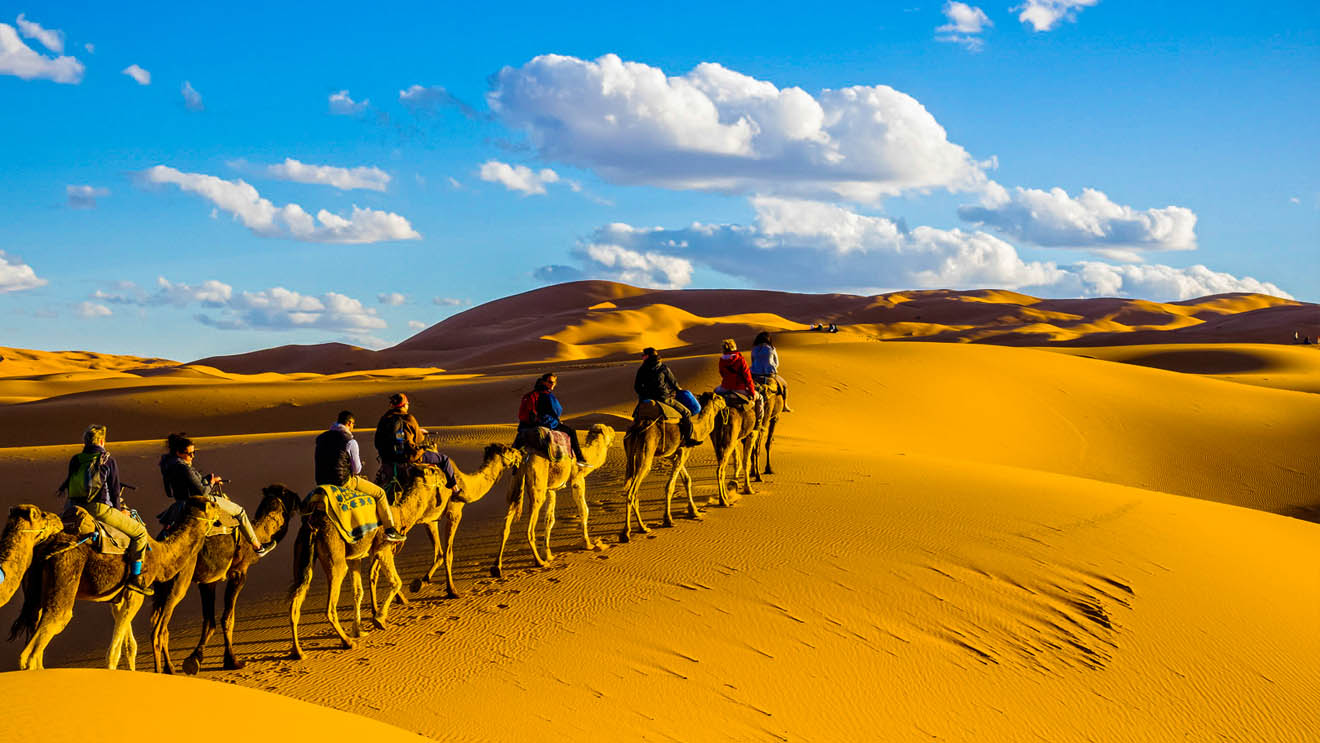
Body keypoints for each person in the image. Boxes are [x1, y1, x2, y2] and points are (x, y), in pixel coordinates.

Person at [58, 424, 153, 595]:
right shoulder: (107, 459)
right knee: (139, 532)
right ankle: (136, 577)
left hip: (73, 508)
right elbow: (115, 492)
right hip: (98, 509)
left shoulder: (76, 459)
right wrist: (118, 512)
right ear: (102, 440)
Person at [159, 433, 274, 557]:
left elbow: (170, 492)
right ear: (178, 453)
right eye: (189, 453)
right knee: (240, 512)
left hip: (179, 504)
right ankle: (258, 548)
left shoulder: (168, 466)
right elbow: (202, 492)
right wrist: (212, 483)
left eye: (194, 453)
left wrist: (206, 480)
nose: (192, 456)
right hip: (198, 501)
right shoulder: (184, 468)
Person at [315, 411, 405, 542]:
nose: (353, 428)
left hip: (322, 482)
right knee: (380, 493)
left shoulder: (321, 438)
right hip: (342, 482)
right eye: (353, 425)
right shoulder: (350, 442)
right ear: (349, 423)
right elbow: (357, 470)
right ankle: (390, 530)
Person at [372, 393, 462, 497]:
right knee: (444, 459)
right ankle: (455, 490)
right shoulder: (409, 418)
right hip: (408, 457)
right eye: (407, 404)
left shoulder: (384, 420)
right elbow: (418, 439)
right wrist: (420, 432)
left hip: (387, 458)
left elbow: (377, 442)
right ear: (404, 405)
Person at [518, 373, 588, 467]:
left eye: (554, 382)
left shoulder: (531, 394)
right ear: (543, 382)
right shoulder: (546, 395)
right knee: (571, 431)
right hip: (545, 422)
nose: (553, 385)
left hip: (526, 425)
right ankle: (580, 459)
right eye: (550, 382)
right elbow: (558, 410)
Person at [634, 347, 700, 445]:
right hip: (663, 398)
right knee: (686, 413)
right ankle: (688, 439)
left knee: (636, 416)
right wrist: (679, 390)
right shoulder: (663, 367)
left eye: (644, 356)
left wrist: (645, 395)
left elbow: (637, 387)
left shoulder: (642, 369)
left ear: (648, 356)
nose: (642, 358)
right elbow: (673, 383)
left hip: (646, 399)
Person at [715, 338, 764, 423]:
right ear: (734, 347)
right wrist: (752, 392)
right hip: (740, 389)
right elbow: (748, 378)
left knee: (714, 392)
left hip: (725, 388)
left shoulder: (722, 360)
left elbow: (722, 374)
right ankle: (758, 423)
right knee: (760, 398)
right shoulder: (740, 360)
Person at [749, 332, 793, 413]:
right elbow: (777, 363)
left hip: (754, 374)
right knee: (785, 385)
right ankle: (785, 405)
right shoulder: (771, 349)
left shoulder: (754, 349)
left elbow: (752, 361)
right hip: (770, 374)